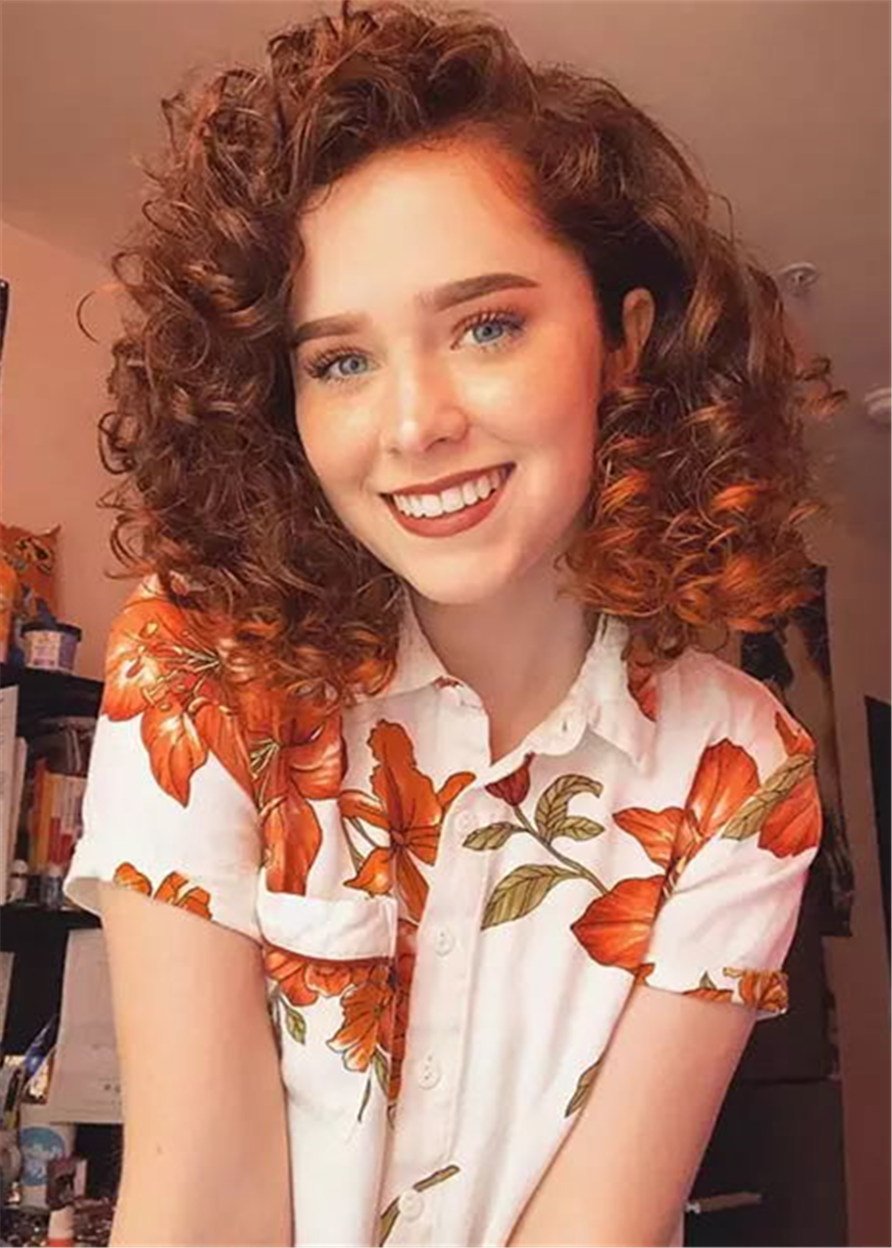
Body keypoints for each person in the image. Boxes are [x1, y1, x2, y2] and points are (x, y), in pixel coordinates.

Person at [63, 1, 846, 1244]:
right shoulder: (202, 665)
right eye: (340, 360)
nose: (414, 423)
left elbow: (599, 1227)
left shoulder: (741, 773)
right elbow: (201, 1201)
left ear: (622, 344)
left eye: (486, 326)